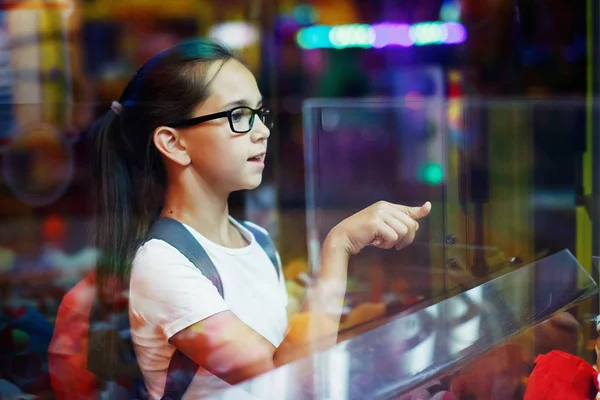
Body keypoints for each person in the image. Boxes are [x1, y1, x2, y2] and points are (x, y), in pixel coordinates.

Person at [89, 38, 431, 399]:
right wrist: (339, 245)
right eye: (238, 115)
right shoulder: (163, 262)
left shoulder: (257, 239)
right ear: (174, 143)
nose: (262, 130)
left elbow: (293, 352)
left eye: (259, 112)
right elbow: (290, 380)